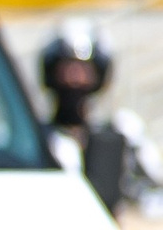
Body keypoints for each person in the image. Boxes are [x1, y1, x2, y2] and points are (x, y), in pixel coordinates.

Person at [39, 21, 159, 215]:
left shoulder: (121, 132)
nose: (75, 79)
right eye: (67, 69)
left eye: (83, 70)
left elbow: (153, 188)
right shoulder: (38, 138)